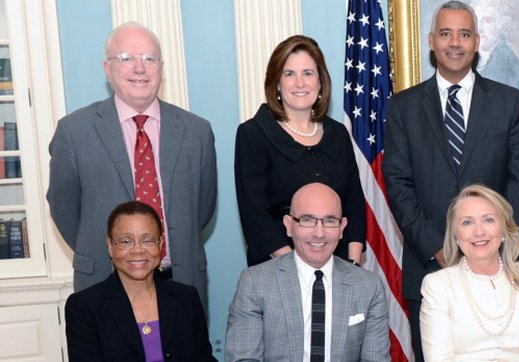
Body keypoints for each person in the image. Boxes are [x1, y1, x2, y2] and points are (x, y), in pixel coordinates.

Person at [383, 1, 519, 359]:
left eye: (464, 34)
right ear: (431, 40)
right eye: (446, 33)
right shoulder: (403, 107)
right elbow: (399, 185)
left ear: (477, 41)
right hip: (429, 270)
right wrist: (440, 248)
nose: (455, 42)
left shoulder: (509, 102)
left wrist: (488, 245)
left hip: (495, 270)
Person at [48, 21, 217, 311]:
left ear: (161, 68)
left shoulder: (196, 132)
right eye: (127, 58)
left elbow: (202, 209)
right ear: (107, 68)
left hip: (179, 281)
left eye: (149, 59)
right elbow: (64, 208)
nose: (140, 68)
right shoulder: (74, 131)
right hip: (105, 281)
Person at [235, 34, 365, 267]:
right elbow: (255, 216)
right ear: (276, 82)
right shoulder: (253, 134)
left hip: (339, 266)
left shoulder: (338, 134)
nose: (300, 83)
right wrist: (299, 271)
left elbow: (354, 204)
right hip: (279, 268)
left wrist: (353, 264)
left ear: (320, 81)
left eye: (308, 73)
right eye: (289, 74)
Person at [225, 183, 389, 362]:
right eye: (308, 220)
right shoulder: (255, 283)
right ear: (289, 225)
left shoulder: (369, 286)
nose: (319, 233)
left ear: (342, 228)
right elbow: (244, 358)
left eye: (329, 221)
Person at [420, 185, 519, 361]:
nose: (479, 232)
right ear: (455, 235)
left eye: (488, 220)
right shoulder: (437, 286)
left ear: (504, 229)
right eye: (467, 222)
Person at [65, 201, 215, 361]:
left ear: (160, 244)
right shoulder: (85, 307)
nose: (138, 250)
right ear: (110, 246)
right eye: (126, 241)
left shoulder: (186, 298)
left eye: (147, 240)